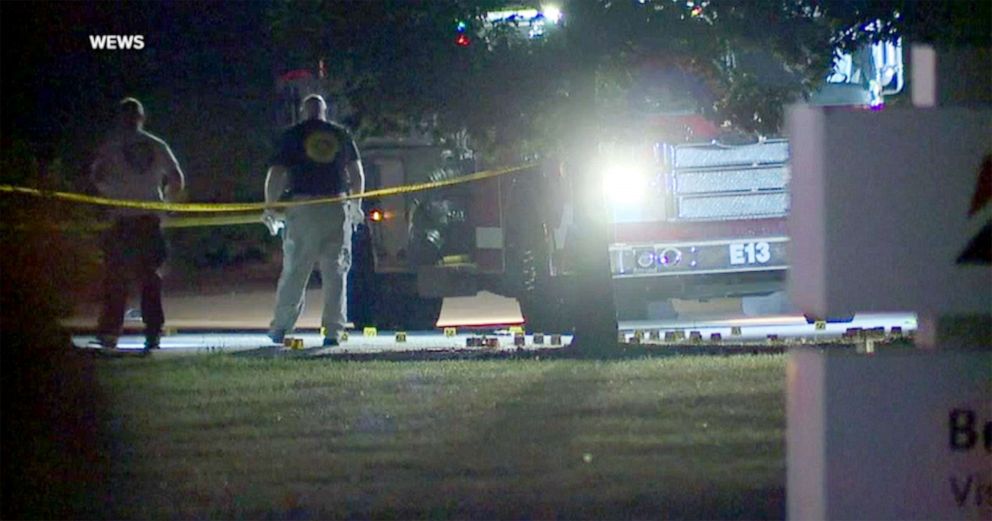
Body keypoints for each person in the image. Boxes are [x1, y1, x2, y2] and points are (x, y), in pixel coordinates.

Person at [264, 94, 364, 347]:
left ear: (302, 111)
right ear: (325, 111)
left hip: (304, 207)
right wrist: (356, 206)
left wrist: (270, 206)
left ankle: (281, 327)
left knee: (296, 269)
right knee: (336, 271)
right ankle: (333, 330)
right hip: (336, 205)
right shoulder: (341, 135)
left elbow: (276, 173)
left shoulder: (293, 136)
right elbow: (357, 174)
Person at [89, 97, 186, 352]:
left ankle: (110, 333)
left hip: (122, 219)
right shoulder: (156, 144)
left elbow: (96, 176)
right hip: (149, 220)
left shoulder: (111, 146)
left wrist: (110, 195)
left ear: (121, 118)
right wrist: (164, 203)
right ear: (142, 118)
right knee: (150, 278)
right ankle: (153, 333)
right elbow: (177, 178)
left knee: (116, 279)